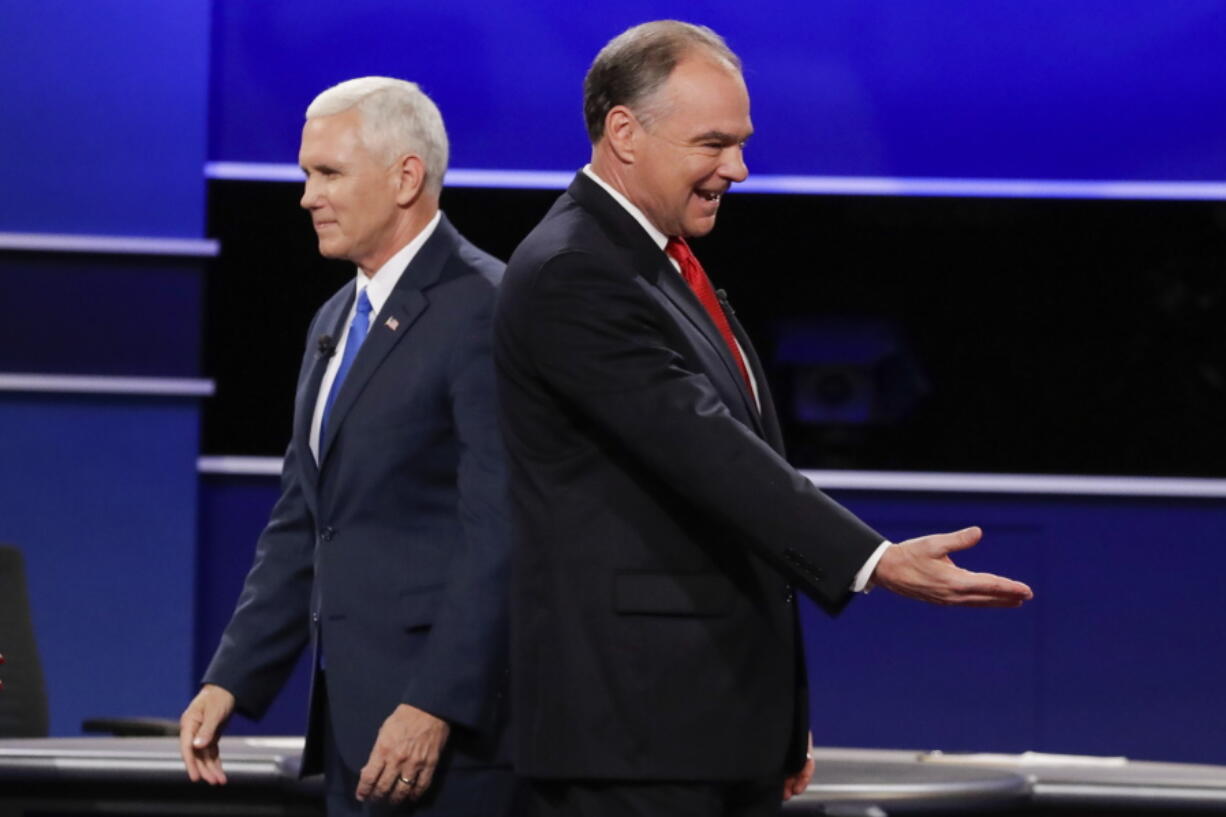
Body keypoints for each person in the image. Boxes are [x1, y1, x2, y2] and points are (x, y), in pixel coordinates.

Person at [495, 21, 1033, 816]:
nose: (737, 168)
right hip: (635, 740)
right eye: (713, 143)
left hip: (703, 723)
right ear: (624, 132)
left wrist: (775, 718)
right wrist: (873, 560)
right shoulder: (577, 269)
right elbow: (708, 452)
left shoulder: (657, 262)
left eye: (740, 143)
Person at [180, 77, 514, 816]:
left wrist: (434, 702)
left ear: (405, 177)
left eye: (328, 173)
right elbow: (307, 516)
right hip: (354, 732)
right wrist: (231, 677)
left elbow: (503, 531)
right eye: (307, 173)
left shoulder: (486, 308)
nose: (306, 195)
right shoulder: (336, 316)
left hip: (450, 742)